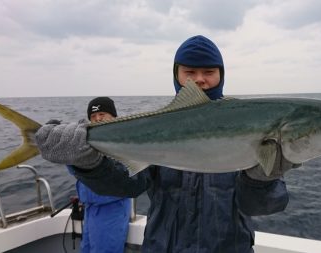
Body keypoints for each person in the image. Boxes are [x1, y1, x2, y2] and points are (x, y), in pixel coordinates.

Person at [35, 35, 297, 253]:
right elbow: (126, 185)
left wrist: (262, 180)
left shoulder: (250, 126)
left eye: (209, 72)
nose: (199, 80)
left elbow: (259, 207)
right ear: (177, 75)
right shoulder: (156, 126)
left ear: (221, 75)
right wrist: (89, 164)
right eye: (189, 72)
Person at [69, 97, 131, 253]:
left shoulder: (123, 140)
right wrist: (69, 153)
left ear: (114, 117)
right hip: (90, 210)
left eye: (102, 114)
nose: (97, 119)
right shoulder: (90, 142)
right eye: (93, 116)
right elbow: (77, 173)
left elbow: (123, 174)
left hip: (112, 210)